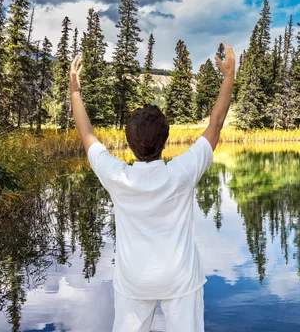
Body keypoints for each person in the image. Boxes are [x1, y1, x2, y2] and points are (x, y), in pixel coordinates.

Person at [69, 43, 235, 332]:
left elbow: (88, 135)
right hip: (180, 277)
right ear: (165, 141)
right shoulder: (181, 173)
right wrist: (229, 77)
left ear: (130, 145)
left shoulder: (118, 177)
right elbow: (216, 124)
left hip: (134, 279)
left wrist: (74, 92)